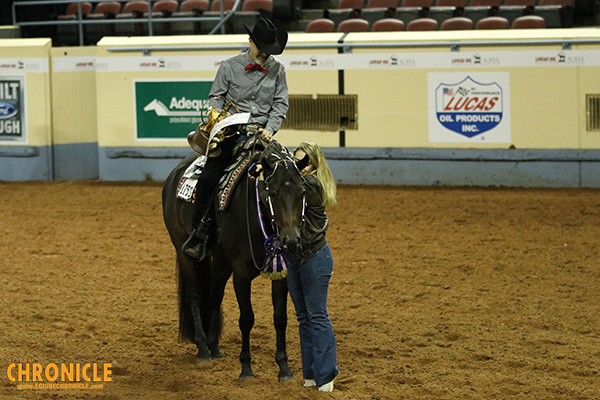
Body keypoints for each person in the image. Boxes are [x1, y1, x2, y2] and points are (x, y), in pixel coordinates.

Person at [184, 18, 289, 260]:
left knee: (288, 175)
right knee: (210, 176)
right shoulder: (229, 66)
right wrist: (217, 120)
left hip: (263, 134)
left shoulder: (278, 70)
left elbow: (280, 104)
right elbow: (216, 97)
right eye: (262, 47)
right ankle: (199, 234)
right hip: (231, 132)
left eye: (270, 50)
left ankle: (291, 232)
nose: (266, 54)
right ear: (250, 41)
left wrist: (271, 129)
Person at [287, 142, 339, 392]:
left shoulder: (313, 184)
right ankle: (310, 374)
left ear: (314, 164)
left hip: (315, 257)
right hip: (297, 258)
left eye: (303, 163)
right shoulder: (300, 183)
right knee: (304, 318)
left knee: (316, 316)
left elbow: (287, 185)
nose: (300, 168)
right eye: (296, 162)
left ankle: (326, 375)